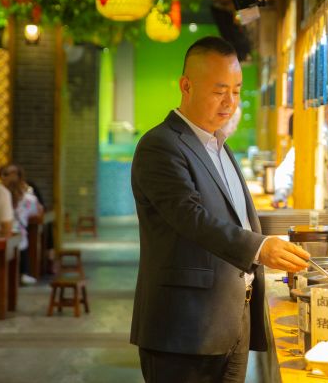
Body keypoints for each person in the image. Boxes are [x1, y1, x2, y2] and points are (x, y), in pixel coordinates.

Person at [130, 36, 310, 383]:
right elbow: (191, 218)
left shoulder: (219, 145)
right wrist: (259, 247)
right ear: (186, 86)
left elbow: (233, 217)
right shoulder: (160, 146)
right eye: (219, 91)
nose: (230, 102)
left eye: (237, 91)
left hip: (231, 321)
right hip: (183, 329)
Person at [0, 163, 43, 285]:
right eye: (6, 174)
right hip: (6, 233)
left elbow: (39, 212)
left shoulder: (27, 198)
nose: (10, 178)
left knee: (18, 238)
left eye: (13, 174)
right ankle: (22, 273)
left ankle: (21, 272)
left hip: (10, 234)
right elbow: (39, 211)